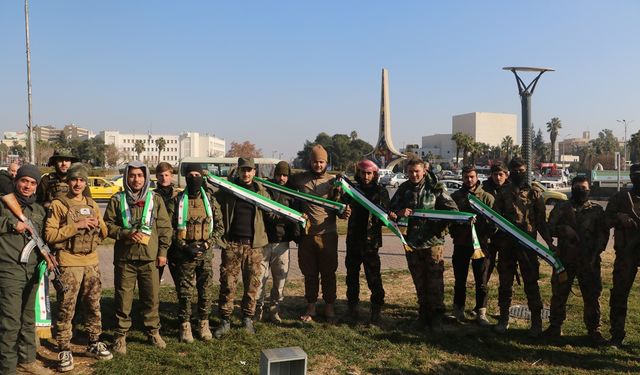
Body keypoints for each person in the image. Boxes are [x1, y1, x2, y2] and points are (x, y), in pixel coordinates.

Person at [44, 163, 112, 371]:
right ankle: (64, 347)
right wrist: (77, 225)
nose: (78, 183)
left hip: (91, 261)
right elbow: (49, 235)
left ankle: (94, 341)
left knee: (93, 304)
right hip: (68, 262)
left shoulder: (91, 203)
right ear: (68, 181)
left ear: (86, 182)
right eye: (74, 179)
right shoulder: (59, 205)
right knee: (67, 306)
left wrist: (97, 223)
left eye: (82, 180)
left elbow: (104, 232)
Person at [103, 160, 172, 354]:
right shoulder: (117, 199)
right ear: (126, 177)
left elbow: (165, 228)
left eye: (140, 175)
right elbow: (107, 226)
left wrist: (163, 253)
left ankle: (153, 331)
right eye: (132, 175)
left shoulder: (155, 199)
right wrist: (124, 233)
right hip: (125, 259)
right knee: (123, 298)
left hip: (150, 259)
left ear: (146, 177)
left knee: (151, 297)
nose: (136, 179)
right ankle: (120, 334)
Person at [389, 158, 458, 331]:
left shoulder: (436, 188)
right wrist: (399, 212)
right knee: (419, 281)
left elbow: (453, 211)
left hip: (433, 243)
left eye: (417, 171)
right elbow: (390, 212)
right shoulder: (404, 189)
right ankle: (423, 315)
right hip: (412, 243)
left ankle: (436, 318)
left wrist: (439, 225)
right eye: (411, 172)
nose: (413, 175)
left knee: (435, 281)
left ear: (424, 171)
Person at [492, 157, 556, 337]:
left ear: (526, 171)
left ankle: (536, 322)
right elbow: (495, 217)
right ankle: (503, 318)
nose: (518, 173)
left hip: (528, 246)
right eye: (514, 170)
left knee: (531, 284)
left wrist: (549, 243)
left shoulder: (535, 193)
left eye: (521, 170)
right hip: (506, 246)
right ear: (509, 172)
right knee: (505, 283)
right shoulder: (503, 192)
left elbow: (541, 222)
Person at [0, 165, 54, 374]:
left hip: (32, 272)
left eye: (32, 183)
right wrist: (12, 223)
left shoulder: (38, 210)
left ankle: (27, 359)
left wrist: (48, 256)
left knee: (28, 318)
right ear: (16, 181)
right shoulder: (4, 205)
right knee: (10, 322)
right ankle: (7, 367)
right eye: (24, 181)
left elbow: (41, 240)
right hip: (8, 270)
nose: (27, 186)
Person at [289, 145, 350, 323]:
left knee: (329, 273)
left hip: (328, 235)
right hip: (307, 236)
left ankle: (329, 306)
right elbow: (281, 183)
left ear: (326, 163)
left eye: (321, 162)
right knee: (309, 273)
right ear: (310, 161)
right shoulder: (299, 179)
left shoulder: (334, 182)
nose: (318, 165)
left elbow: (340, 208)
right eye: (315, 161)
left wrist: (344, 213)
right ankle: (311, 306)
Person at [545, 175, 608, 344]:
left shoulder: (596, 210)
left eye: (584, 189)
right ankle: (555, 327)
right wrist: (562, 229)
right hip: (565, 259)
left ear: (589, 190)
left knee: (592, 296)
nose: (580, 191)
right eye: (577, 188)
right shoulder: (562, 207)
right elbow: (549, 228)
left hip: (589, 260)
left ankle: (594, 330)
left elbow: (603, 234)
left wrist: (596, 253)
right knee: (559, 293)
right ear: (572, 189)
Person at [214, 157, 271, 338]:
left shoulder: (261, 192)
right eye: (243, 170)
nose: (246, 173)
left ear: (254, 172)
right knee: (228, 284)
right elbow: (212, 201)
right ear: (238, 171)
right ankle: (225, 319)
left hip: (254, 247)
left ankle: (247, 318)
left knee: (252, 285)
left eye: (249, 170)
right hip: (232, 245)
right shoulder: (229, 190)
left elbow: (274, 211)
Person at [167, 164, 223, 343]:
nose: (194, 178)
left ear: (202, 177)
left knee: (205, 290)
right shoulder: (177, 201)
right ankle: (185, 325)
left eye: (197, 174)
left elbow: (220, 228)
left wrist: (208, 244)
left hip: (205, 254)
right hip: (185, 254)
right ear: (185, 177)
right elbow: (169, 229)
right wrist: (183, 246)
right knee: (185, 292)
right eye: (190, 175)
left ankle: (203, 323)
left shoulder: (210, 200)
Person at [344, 159, 389, 325]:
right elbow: (342, 205)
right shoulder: (351, 190)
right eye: (363, 173)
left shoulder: (381, 192)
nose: (366, 176)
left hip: (371, 244)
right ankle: (352, 309)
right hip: (353, 241)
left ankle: (376, 311)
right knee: (351, 277)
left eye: (369, 173)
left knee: (374, 278)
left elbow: (386, 214)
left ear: (375, 174)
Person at [449, 165, 494, 326]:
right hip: (461, 244)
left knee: (481, 281)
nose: (469, 180)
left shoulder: (487, 197)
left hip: (481, 247)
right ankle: (458, 310)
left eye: (472, 177)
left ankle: (481, 313)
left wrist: (483, 232)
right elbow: (450, 219)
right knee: (459, 280)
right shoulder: (455, 197)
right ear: (462, 177)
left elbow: (494, 223)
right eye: (466, 177)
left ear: (477, 177)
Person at [255, 161, 298, 324]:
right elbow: (265, 212)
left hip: (282, 243)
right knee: (259, 279)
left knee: (280, 280)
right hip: (264, 241)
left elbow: (298, 214)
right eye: (279, 174)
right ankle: (257, 310)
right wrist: (284, 217)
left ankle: (274, 310)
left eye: (285, 175)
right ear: (274, 174)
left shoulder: (293, 193)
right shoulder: (266, 189)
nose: (281, 178)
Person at [605, 163, 640, 348]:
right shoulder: (621, 198)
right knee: (619, 295)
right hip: (626, 254)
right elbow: (605, 221)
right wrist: (619, 217)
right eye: (635, 175)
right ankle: (617, 336)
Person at [481, 161, 510, 283]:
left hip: (506, 236)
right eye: (494, 175)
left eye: (500, 174)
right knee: (484, 270)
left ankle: (504, 301)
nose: (497, 178)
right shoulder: (484, 190)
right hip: (488, 236)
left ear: (506, 175)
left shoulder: (512, 190)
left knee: (506, 272)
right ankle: (481, 300)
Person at [154, 162, 180, 284]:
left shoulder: (178, 196)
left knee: (180, 278)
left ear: (172, 176)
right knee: (155, 277)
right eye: (160, 175)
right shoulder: (151, 196)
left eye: (166, 175)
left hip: (176, 242)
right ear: (156, 177)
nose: (164, 178)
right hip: (157, 241)